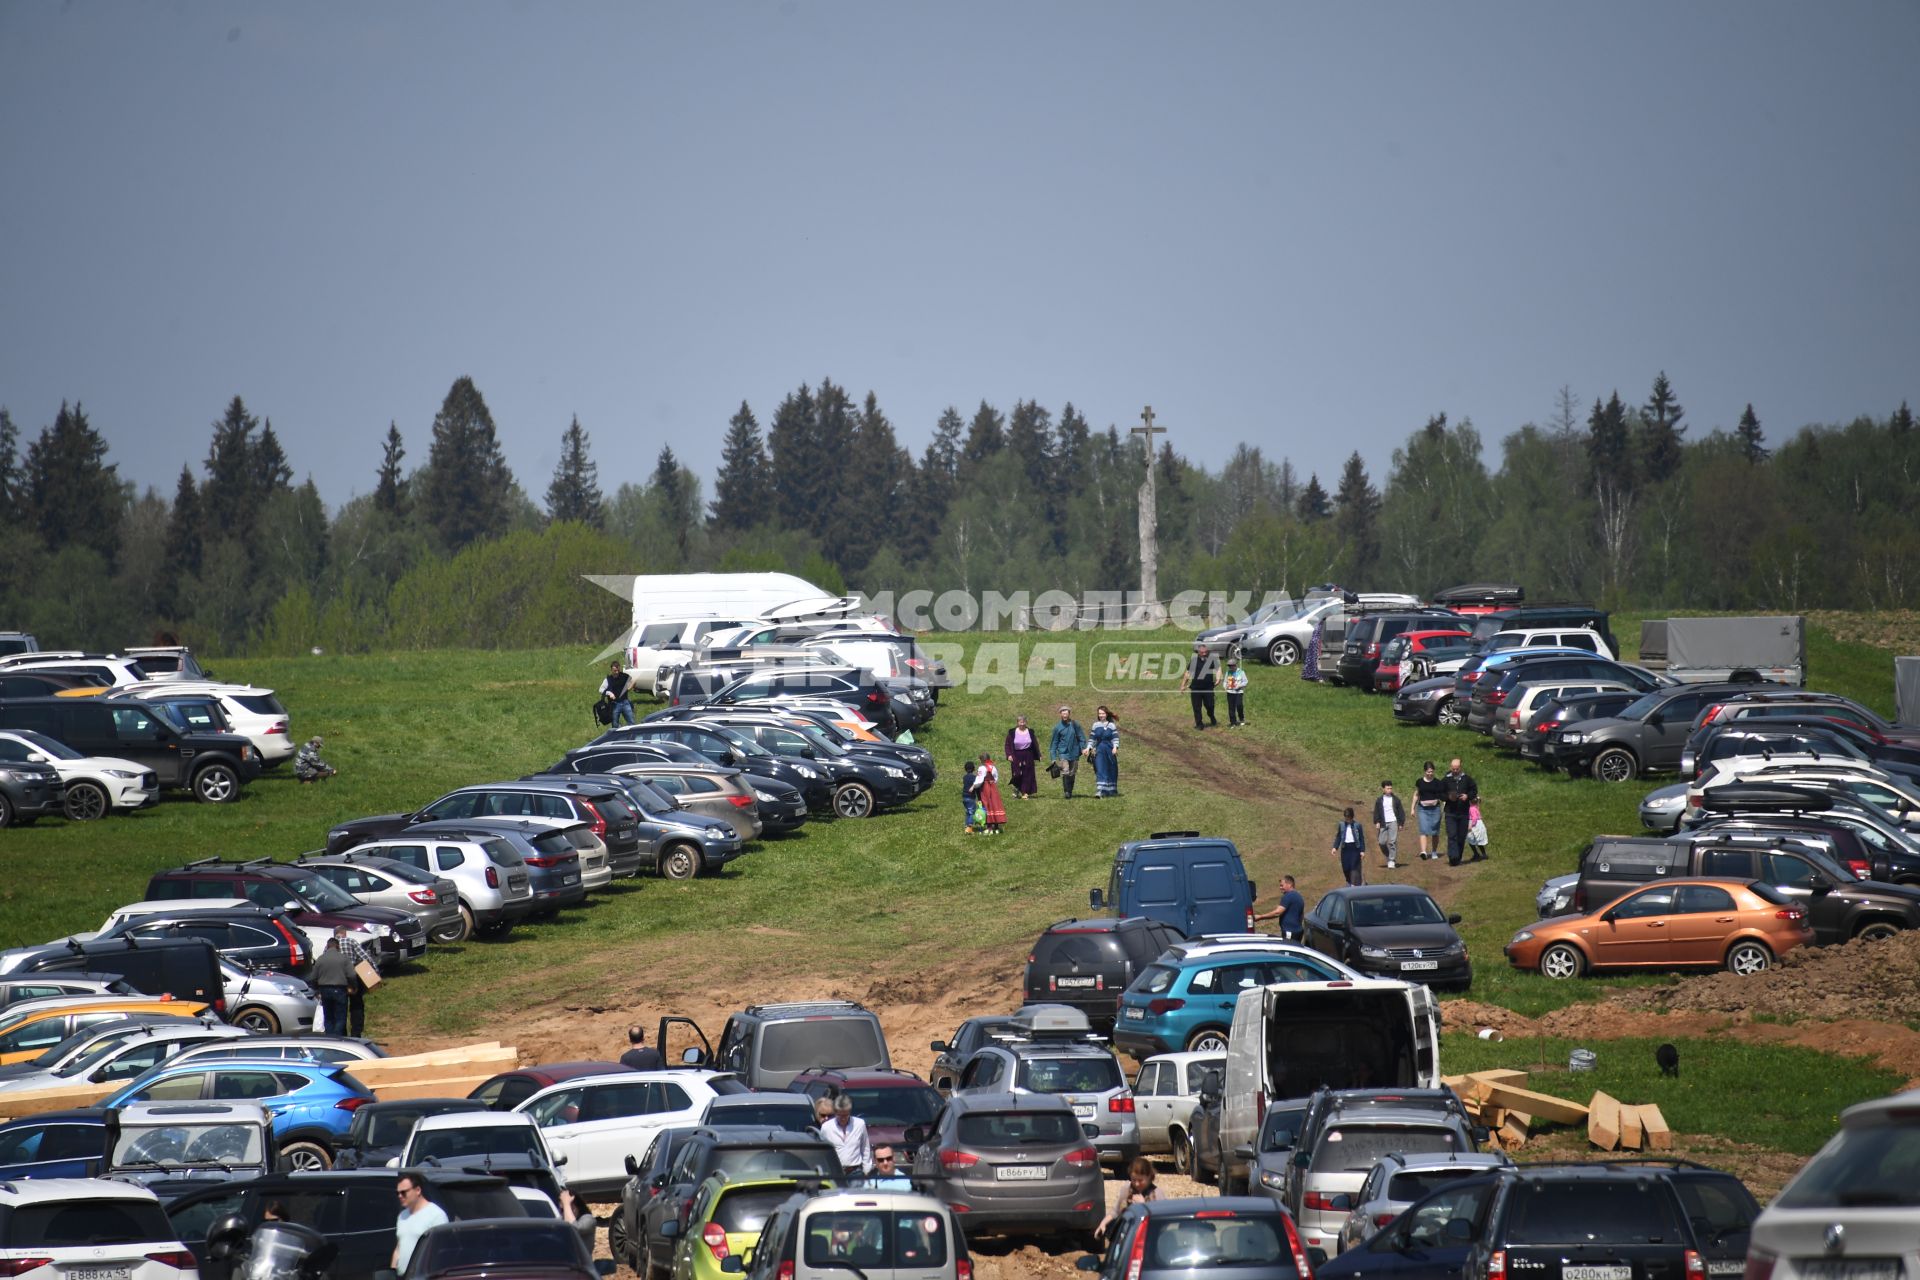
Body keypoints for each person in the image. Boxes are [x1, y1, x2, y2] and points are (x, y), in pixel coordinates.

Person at [393, 1174, 449, 1273]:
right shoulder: (402, 1216)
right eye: (397, 1193)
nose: (400, 1196)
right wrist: (393, 1270)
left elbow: (441, 1252)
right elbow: (398, 1248)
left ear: (418, 1190)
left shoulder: (436, 1215)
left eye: (403, 1192)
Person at [1096, 1157, 1159, 1243]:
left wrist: (1143, 1205)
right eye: (1133, 1180)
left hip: (1149, 1237)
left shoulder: (1156, 1193)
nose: (1136, 1184)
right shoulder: (1126, 1190)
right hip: (1128, 1236)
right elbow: (1116, 1211)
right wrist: (1103, 1224)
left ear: (1149, 1177)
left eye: (1140, 1180)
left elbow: (1159, 1219)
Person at [332, 926, 373, 1039]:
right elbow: (365, 957)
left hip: (338, 978)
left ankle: (342, 1034)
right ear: (344, 933)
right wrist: (375, 972)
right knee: (357, 1005)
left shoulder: (330, 945)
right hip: (353, 977)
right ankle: (356, 1032)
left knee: (340, 1006)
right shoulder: (351, 941)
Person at [311, 938, 352, 1039]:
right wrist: (353, 986)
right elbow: (352, 975)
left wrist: (316, 990)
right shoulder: (344, 958)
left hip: (325, 990)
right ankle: (337, 1038)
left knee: (328, 1017)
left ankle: (330, 1039)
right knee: (340, 1017)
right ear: (338, 946)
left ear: (327, 946)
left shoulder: (320, 959)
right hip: (340, 989)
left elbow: (313, 977)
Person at [821, 1095, 871, 1177]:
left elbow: (865, 1148)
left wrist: (866, 1171)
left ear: (850, 1112)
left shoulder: (859, 1124)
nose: (843, 1118)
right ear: (835, 1112)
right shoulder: (826, 1127)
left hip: (855, 1172)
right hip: (835, 1172)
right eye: (840, 1115)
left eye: (845, 1115)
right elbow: (823, 1153)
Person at [1442, 757, 1479, 867]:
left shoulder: (1467, 779)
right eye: (1453, 769)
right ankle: (1453, 857)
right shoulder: (1445, 780)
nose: (1455, 771)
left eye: (1457, 769)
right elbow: (1440, 793)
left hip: (1463, 812)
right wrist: (1449, 797)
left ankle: (1458, 857)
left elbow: (1474, 790)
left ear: (1460, 768)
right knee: (1452, 835)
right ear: (1450, 767)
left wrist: (1467, 796)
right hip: (1450, 812)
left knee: (1461, 836)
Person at [1178, 641, 1219, 729]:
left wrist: (1218, 678)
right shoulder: (1194, 661)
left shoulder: (1212, 660)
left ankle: (1212, 716)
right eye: (1202, 652)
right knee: (1197, 707)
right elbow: (1187, 673)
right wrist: (1182, 685)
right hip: (1196, 688)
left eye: (1205, 652)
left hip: (1208, 688)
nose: (1204, 654)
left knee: (1210, 705)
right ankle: (1199, 724)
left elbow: (1218, 669)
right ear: (1198, 652)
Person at [1254, 875, 1307, 941]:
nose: (1280, 888)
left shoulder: (1288, 896)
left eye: (1282, 885)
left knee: (1288, 950)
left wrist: (1260, 917)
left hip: (1289, 932)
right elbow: (1301, 915)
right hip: (1298, 931)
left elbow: (1277, 913)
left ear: (1289, 884)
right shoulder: (1298, 896)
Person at [1050, 706, 1087, 798]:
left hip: (1075, 752)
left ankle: (1070, 791)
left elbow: (1081, 737)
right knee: (1065, 771)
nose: (1065, 715)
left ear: (1069, 714)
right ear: (1060, 715)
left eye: (1066, 713)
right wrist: (1053, 757)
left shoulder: (1075, 724)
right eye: (1063, 713)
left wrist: (1083, 748)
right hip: (1063, 753)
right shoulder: (1057, 728)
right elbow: (1054, 743)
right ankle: (1067, 792)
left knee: (1072, 772)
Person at [1003, 716, 1041, 799]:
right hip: (1016, 754)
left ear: (1026, 723)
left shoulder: (1030, 732)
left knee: (1027, 774)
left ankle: (1025, 792)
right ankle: (1016, 791)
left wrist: (1039, 754)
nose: (1022, 724)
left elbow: (1035, 744)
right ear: (1017, 723)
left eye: (1023, 722)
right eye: (1020, 722)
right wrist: (1009, 755)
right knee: (1017, 773)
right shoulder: (1012, 733)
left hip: (1028, 754)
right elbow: (1007, 745)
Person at [1414, 761, 1445, 860]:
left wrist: (1444, 806)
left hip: (1435, 809)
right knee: (1423, 830)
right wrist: (1412, 808)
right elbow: (1416, 795)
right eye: (1428, 772)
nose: (1430, 773)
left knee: (1435, 831)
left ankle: (1434, 851)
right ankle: (1423, 851)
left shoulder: (1438, 782)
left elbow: (1442, 796)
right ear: (1424, 771)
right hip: (1422, 809)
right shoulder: (1420, 782)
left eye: (1431, 771)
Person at [1373, 780, 1405, 871]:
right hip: (1383, 822)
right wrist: (1377, 822)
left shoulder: (1396, 800)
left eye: (1391, 788)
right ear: (1383, 789)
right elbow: (1376, 812)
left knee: (1392, 841)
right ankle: (1388, 855)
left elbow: (1401, 812)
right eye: (1387, 788)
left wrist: (1401, 823)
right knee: (1381, 842)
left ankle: (1392, 860)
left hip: (1393, 822)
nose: (1389, 790)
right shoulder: (1379, 800)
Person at [1089, 705, 1120, 798]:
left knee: (1111, 769)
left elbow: (1115, 738)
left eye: (1103, 713)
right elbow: (1092, 738)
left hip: (1109, 749)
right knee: (1100, 768)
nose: (1101, 715)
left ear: (1106, 714)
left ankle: (1111, 789)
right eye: (1099, 714)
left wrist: (1115, 747)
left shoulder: (1111, 725)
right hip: (1099, 750)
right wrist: (1088, 748)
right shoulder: (1095, 725)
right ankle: (1100, 790)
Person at [1333, 807, 1367, 887]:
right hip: (1345, 848)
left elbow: (1361, 838)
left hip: (1355, 848)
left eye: (1348, 818)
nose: (1347, 820)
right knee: (1346, 868)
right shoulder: (1341, 825)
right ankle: (1349, 881)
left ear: (1352, 817)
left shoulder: (1358, 825)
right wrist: (1335, 847)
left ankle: (1353, 884)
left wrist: (1362, 850)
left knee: (1354, 867)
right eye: (1346, 818)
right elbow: (1338, 836)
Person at [558, 1188, 597, 1254]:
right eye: (563, 1210)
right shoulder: (559, 1221)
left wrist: (566, 1204)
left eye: (571, 1208)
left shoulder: (588, 1219)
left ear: (578, 1206)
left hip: (581, 1263)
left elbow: (574, 1228)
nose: (566, 1212)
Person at [599, 660, 636, 729]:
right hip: (614, 705)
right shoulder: (608, 679)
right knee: (615, 725)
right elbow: (601, 690)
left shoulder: (624, 676)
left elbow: (633, 681)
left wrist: (629, 688)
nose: (617, 672)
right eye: (615, 671)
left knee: (632, 723)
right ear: (611, 670)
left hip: (625, 703)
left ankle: (631, 737)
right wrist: (609, 693)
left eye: (618, 670)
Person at [977, 754, 1006, 835]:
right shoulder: (993, 767)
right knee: (994, 805)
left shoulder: (982, 768)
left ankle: (989, 827)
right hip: (993, 788)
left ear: (982, 760)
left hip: (985, 789)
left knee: (986, 805)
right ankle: (996, 828)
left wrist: (975, 786)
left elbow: (979, 779)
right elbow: (996, 778)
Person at [1223, 657, 1249, 726]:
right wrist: (1225, 687)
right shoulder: (1228, 673)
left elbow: (1245, 681)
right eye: (1229, 666)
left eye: (1231, 666)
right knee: (1231, 708)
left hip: (1239, 692)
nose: (1230, 667)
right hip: (1230, 692)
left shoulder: (1241, 672)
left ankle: (1241, 718)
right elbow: (1225, 682)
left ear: (1235, 665)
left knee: (1239, 705)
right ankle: (1233, 722)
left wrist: (1239, 686)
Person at [960, 760, 980, 834]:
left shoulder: (964, 777)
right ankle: (969, 827)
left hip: (964, 797)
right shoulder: (974, 778)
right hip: (970, 797)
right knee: (972, 812)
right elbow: (976, 787)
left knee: (968, 812)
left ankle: (966, 826)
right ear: (974, 768)